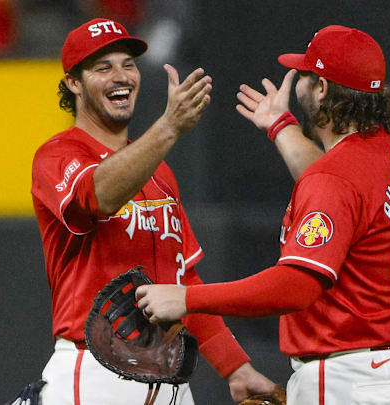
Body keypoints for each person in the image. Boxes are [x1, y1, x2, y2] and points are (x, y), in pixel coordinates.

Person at [136, 25, 390, 405]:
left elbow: (296, 285)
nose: (299, 84)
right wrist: (281, 125)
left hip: (352, 375)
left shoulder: (335, 176)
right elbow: (338, 186)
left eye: (306, 75)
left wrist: (188, 298)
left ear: (323, 89)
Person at [30, 17, 276, 405]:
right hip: (97, 369)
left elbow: (185, 282)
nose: (120, 76)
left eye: (127, 64)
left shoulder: (159, 171)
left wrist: (235, 368)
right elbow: (98, 196)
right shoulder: (57, 156)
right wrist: (169, 127)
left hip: (171, 374)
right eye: (103, 67)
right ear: (73, 83)